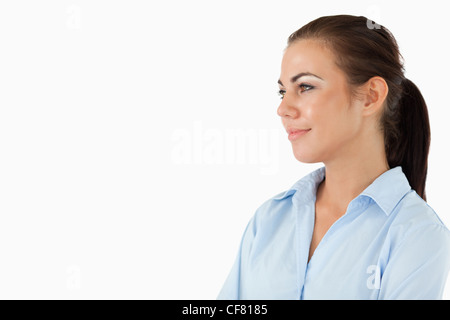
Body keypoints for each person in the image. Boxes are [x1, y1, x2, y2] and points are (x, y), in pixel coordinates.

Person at [217, 15, 450, 299]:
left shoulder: (417, 235)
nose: (284, 109)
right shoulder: (269, 219)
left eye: (305, 87)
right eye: (282, 92)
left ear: (370, 96)